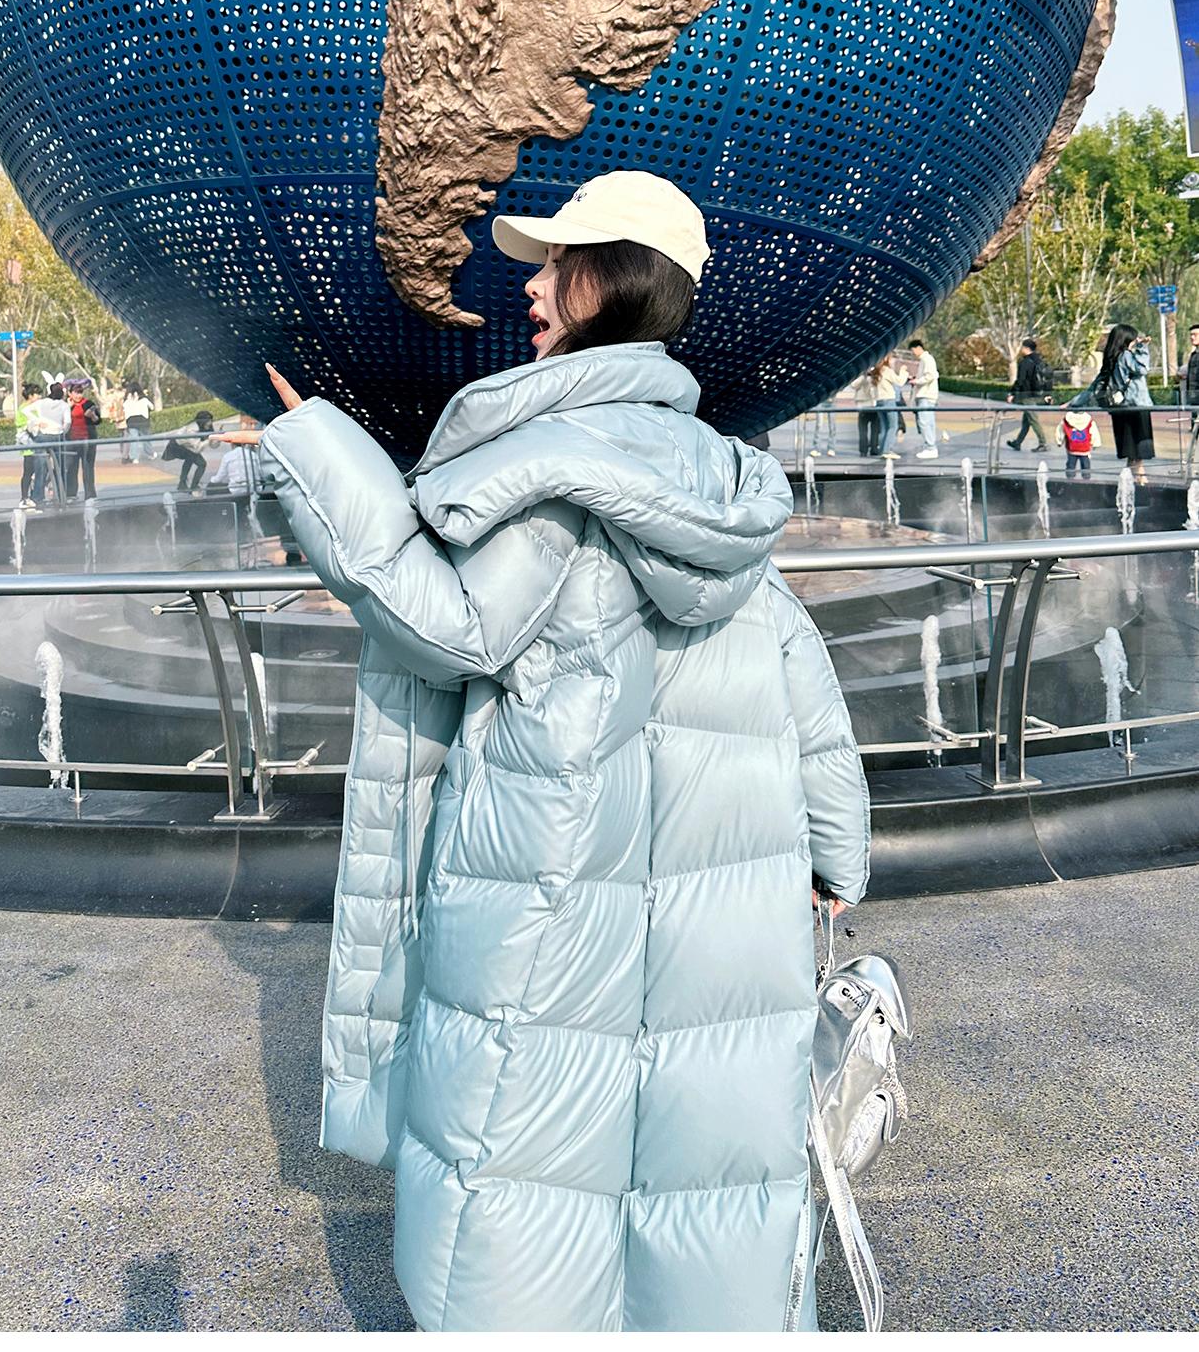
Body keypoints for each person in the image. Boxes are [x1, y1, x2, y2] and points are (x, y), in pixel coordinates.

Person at [220, 170, 870, 1332]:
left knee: (519, 1182)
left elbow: (449, 628)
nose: (527, 286)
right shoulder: (710, 474)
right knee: (702, 1179)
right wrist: (836, 852)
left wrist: (316, 452)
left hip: (545, 892)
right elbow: (795, 663)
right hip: (723, 901)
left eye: (554, 264)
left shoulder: (548, 472)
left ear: (605, 280)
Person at [1075, 324, 1154, 486]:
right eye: (1134, 338)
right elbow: (1143, 369)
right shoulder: (1126, 355)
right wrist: (1142, 347)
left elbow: (1094, 388)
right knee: (1138, 449)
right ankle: (1140, 481)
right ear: (1127, 340)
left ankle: (1133, 481)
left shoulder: (1111, 359)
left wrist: (1073, 403)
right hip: (1136, 407)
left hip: (1119, 408)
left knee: (1131, 451)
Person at [28, 381, 72, 507]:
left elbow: (26, 410)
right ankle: (61, 496)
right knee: (60, 468)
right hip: (57, 437)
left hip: (43, 436)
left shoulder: (41, 403)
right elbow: (68, 422)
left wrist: (37, 421)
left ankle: (38, 497)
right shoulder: (64, 405)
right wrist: (62, 431)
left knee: (40, 468)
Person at [1005, 339, 1053, 452]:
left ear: (1026, 348)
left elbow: (1020, 380)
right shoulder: (1040, 361)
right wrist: (1048, 394)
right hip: (1039, 395)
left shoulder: (1025, 362)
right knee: (1027, 421)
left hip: (1028, 395)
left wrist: (1012, 393)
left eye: (1022, 347)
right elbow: (1048, 378)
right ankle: (1017, 442)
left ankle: (1043, 443)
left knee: (1033, 419)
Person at [63, 377, 101, 501]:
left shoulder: (88, 404)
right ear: (69, 393)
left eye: (80, 392)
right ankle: (71, 494)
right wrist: (68, 408)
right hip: (71, 441)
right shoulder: (64, 406)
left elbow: (98, 421)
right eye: (76, 392)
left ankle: (90, 495)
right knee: (71, 468)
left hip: (87, 441)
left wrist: (93, 416)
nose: (78, 395)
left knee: (88, 468)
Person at [161, 410, 215, 493]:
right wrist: (209, 440)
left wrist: (216, 439)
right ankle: (193, 486)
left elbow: (212, 445)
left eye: (211, 421)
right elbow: (197, 448)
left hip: (185, 446)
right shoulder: (193, 429)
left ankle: (183, 484)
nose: (210, 423)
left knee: (190, 459)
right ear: (203, 421)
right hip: (178, 445)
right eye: (208, 421)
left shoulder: (203, 427)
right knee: (201, 463)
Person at [907, 338, 940, 459]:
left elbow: (930, 375)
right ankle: (930, 446)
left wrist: (917, 381)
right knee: (929, 422)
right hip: (928, 395)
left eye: (913, 351)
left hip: (925, 394)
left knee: (924, 422)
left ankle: (930, 447)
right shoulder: (925, 359)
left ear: (918, 348)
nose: (913, 353)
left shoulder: (927, 359)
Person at [870, 354, 908, 457]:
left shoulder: (875, 372)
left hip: (879, 402)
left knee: (884, 427)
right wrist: (903, 371)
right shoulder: (886, 370)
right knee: (893, 426)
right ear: (886, 358)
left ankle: (882, 450)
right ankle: (887, 450)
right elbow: (899, 382)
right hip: (888, 401)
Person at [15, 381, 44, 506]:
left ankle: (36, 496)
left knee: (41, 471)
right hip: (29, 445)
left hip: (39, 443)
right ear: (30, 395)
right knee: (28, 471)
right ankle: (24, 497)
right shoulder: (23, 409)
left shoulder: (38, 407)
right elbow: (21, 425)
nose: (40, 397)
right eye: (38, 394)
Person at [1061, 409, 1099, 480]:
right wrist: (1096, 443)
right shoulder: (1089, 420)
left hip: (1072, 448)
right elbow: (1094, 432)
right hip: (1085, 449)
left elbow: (1061, 430)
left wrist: (1060, 441)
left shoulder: (1067, 420)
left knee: (1070, 466)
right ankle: (1086, 480)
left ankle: (1069, 480)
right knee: (1085, 467)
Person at [850, 369, 879, 457]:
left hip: (869, 404)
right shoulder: (867, 376)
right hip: (868, 404)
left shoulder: (869, 376)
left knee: (869, 429)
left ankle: (868, 449)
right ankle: (869, 449)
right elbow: (853, 385)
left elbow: (853, 385)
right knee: (868, 429)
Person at [123, 383, 152, 463]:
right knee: (146, 438)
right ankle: (150, 453)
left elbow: (124, 411)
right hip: (143, 420)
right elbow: (152, 407)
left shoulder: (127, 401)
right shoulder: (144, 399)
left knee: (134, 440)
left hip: (131, 421)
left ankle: (134, 457)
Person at [1185, 322, 1199, 430]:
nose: (1192, 337)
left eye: (1195, 334)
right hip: (1194, 397)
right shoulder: (1194, 355)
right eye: (1191, 335)